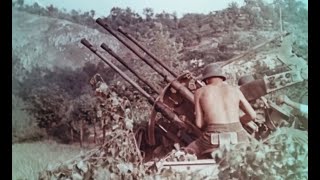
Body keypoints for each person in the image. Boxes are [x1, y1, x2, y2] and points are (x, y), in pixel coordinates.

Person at [184, 63, 257, 157]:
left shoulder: (200, 92)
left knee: (188, 151)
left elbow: (199, 124)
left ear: (206, 80)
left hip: (213, 138)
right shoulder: (235, 90)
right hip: (238, 135)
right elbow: (252, 115)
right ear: (222, 78)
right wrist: (237, 122)